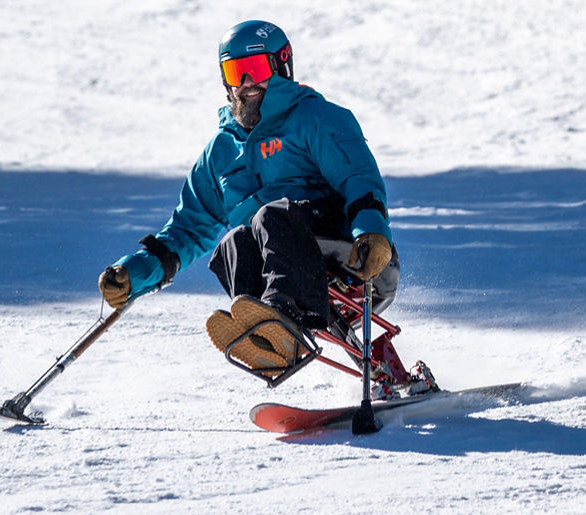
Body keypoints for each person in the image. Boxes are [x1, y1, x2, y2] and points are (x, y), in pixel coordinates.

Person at [99, 20, 398, 377]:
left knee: (270, 216)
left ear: (282, 66)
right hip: (287, 265)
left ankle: (281, 318)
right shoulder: (220, 152)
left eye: (255, 69)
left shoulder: (316, 118)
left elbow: (358, 177)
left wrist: (372, 231)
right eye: (234, 73)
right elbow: (188, 229)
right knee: (233, 242)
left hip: (356, 255)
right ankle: (265, 339)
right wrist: (136, 272)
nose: (245, 84)